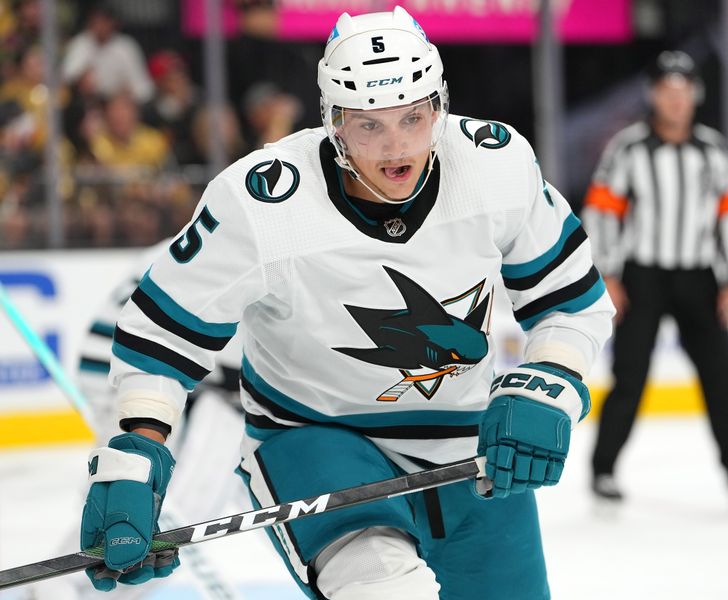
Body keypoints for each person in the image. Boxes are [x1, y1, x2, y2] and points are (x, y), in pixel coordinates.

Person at [81, 7, 614, 599]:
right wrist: (134, 458)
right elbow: (162, 332)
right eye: (369, 125)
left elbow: (570, 298)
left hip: (470, 448)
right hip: (317, 439)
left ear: (439, 106)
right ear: (334, 123)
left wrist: (548, 378)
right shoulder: (263, 202)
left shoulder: (494, 165)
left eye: (413, 118)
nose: (396, 147)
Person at [582, 50, 728, 504]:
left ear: (695, 96)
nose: (676, 101)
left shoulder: (712, 150)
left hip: (700, 277)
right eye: (667, 91)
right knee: (630, 375)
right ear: (654, 96)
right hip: (643, 276)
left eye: (684, 92)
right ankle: (603, 470)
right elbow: (602, 211)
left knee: (722, 377)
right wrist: (610, 274)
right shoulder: (629, 148)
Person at [28, 239, 248, 600]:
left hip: (132, 365)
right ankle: (60, 588)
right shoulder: (265, 234)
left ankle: (58, 586)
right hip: (147, 371)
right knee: (161, 510)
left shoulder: (244, 216)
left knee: (134, 503)